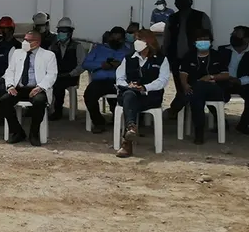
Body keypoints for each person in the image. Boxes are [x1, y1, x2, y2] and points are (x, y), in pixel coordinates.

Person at [115, 29, 170, 158]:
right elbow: (119, 78)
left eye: (139, 39)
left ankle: (127, 140)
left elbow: (163, 81)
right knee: (129, 95)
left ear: (148, 42)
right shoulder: (128, 58)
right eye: (135, 39)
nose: (136, 42)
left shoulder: (161, 60)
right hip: (130, 94)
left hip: (150, 97)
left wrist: (145, 87)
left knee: (130, 101)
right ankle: (131, 130)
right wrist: (129, 85)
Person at [0, 31, 57, 146]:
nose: (25, 42)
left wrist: (40, 87)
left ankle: (34, 133)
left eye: (28, 41)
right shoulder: (17, 53)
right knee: (4, 101)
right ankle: (17, 131)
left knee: (39, 102)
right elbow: (9, 71)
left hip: (37, 88)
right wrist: (10, 85)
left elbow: (52, 75)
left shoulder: (48, 55)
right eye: (24, 39)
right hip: (19, 88)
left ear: (37, 42)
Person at [163, 0, 212, 114]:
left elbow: (208, 35)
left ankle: (176, 108)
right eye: (179, 0)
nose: (182, 3)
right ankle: (180, 109)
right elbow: (167, 38)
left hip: (196, 56)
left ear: (191, 1)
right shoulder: (172, 18)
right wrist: (165, 54)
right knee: (179, 85)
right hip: (175, 56)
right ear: (175, 3)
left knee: (196, 84)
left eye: (184, 0)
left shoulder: (201, 16)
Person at [177, 30, 229, 144]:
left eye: (205, 39)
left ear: (210, 42)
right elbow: (183, 73)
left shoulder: (217, 55)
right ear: (194, 42)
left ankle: (198, 130)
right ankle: (199, 131)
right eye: (200, 39)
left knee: (198, 88)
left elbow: (225, 75)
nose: (203, 42)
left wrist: (210, 77)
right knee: (197, 95)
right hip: (195, 89)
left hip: (214, 88)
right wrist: (185, 85)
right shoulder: (189, 56)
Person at [81, 26, 129, 133]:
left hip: (119, 81)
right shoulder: (98, 49)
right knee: (89, 95)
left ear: (123, 39)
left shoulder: (127, 51)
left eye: (119, 39)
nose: (116, 40)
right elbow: (85, 64)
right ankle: (99, 122)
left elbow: (134, 67)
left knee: (127, 97)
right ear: (109, 37)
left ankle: (123, 122)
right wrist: (101, 65)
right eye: (114, 37)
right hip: (100, 81)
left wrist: (120, 66)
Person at [48, 17, 87, 120]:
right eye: (60, 31)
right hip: (56, 75)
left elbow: (82, 65)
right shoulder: (53, 47)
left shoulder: (77, 46)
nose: (61, 33)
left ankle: (58, 111)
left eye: (64, 31)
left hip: (71, 76)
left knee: (58, 85)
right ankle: (49, 109)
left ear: (70, 32)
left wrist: (72, 73)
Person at [219, 26, 249, 134]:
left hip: (243, 83)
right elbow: (215, 68)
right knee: (213, 93)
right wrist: (225, 77)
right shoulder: (222, 50)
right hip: (224, 81)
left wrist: (240, 81)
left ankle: (243, 125)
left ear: (246, 39)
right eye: (233, 33)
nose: (233, 35)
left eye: (237, 34)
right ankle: (221, 123)